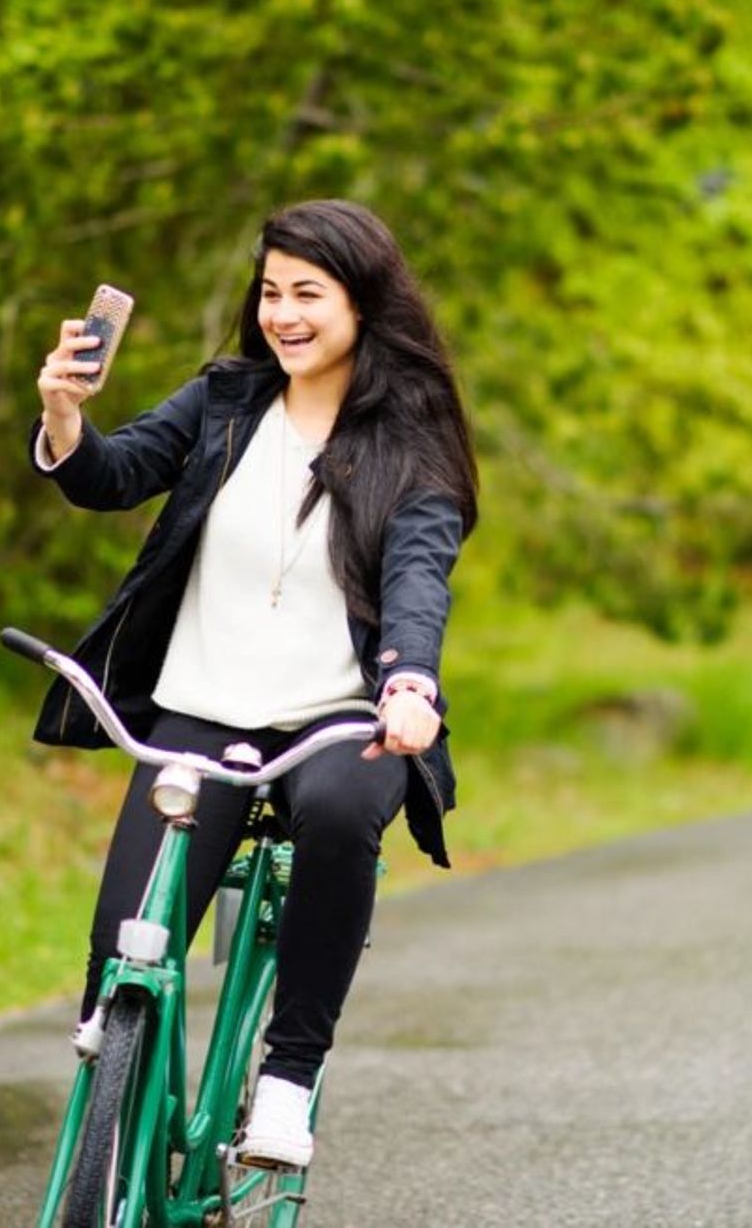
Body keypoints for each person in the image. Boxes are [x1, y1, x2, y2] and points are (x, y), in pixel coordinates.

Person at [27, 199, 477, 1168]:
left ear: (363, 303)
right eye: (271, 292)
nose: (283, 313)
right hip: (204, 710)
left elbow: (417, 574)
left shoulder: (412, 438)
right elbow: (114, 473)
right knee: (125, 951)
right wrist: (66, 413)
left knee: (341, 811)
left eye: (307, 293)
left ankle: (287, 1075)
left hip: (342, 719)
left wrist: (410, 684)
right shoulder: (226, 399)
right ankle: (120, 1108)